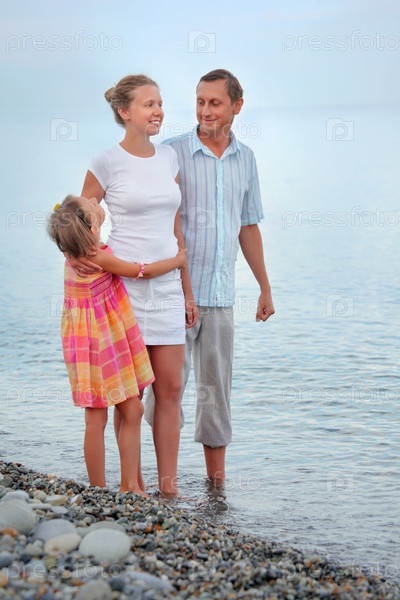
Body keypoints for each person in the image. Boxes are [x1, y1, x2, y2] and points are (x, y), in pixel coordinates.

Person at [145, 69, 275, 486]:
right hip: (172, 295)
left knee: (217, 396)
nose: (205, 111)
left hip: (220, 296)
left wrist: (264, 287)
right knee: (162, 394)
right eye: (200, 102)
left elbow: (248, 226)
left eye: (214, 103)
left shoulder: (246, 158)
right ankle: (165, 484)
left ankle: (216, 489)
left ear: (237, 106)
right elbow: (151, 218)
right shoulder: (171, 154)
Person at [71, 75, 197, 496]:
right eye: (148, 104)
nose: (158, 111)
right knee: (133, 394)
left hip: (167, 285)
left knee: (171, 388)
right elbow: (80, 221)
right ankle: (133, 484)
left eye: (159, 103)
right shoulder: (106, 161)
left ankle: (168, 487)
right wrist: (87, 260)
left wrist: (187, 291)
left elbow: (176, 230)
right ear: (125, 112)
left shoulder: (169, 158)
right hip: (123, 289)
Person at [47, 194, 187, 495]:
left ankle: (101, 490)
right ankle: (127, 486)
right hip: (104, 344)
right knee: (131, 410)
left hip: (82, 346)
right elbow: (142, 271)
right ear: (93, 228)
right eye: (92, 206)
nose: (96, 202)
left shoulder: (74, 258)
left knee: (96, 416)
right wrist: (178, 260)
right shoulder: (98, 258)